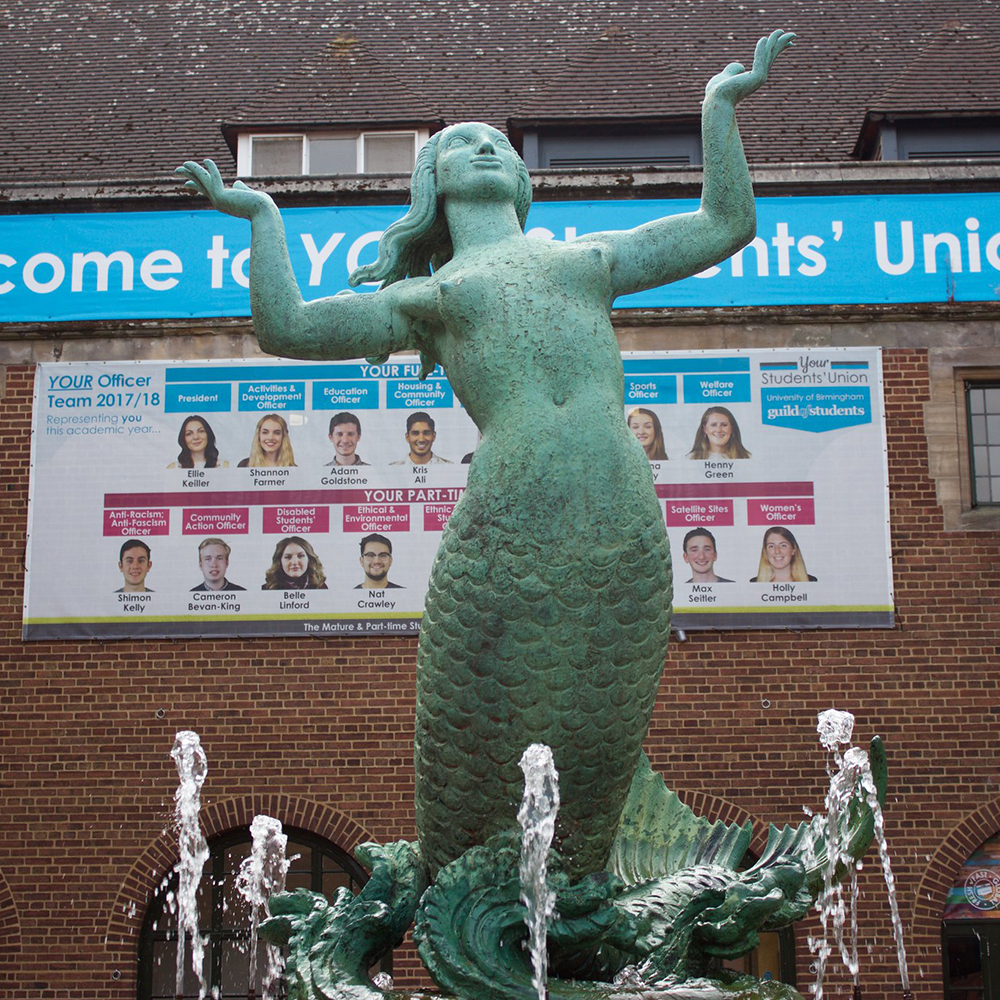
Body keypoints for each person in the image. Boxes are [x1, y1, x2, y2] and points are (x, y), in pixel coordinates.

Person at [177, 29, 793, 882]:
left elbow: (725, 223)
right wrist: (263, 218)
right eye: (463, 144)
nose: (486, 148)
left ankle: (594, 894)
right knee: (487, 725)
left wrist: (718, 110)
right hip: (508, 520)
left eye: (500, 143)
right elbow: (289, 328)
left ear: (525, 179)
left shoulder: (586, 261)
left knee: (601, 720)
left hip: (622, 513)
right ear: (432, 184)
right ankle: (469, 893)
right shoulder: (434, 296)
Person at [750, 526, 816, 583]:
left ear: (793, 550)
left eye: (783, 545)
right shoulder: (754, 583)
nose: (777, 551)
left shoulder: (811, 582)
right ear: (765, 552)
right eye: (771, 546)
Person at [262, 536, 328, 590]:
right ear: (279, 561)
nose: (294, 562)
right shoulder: (267, 588)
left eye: (301, 556)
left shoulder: (321, 587)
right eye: (288, 557)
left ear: (309, 559)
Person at [687, 405, 751, 460]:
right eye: (713, 425)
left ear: (732, 429)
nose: (718, 430)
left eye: (724, 425)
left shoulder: (747, 457)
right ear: (705, 429)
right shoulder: (690, 458)